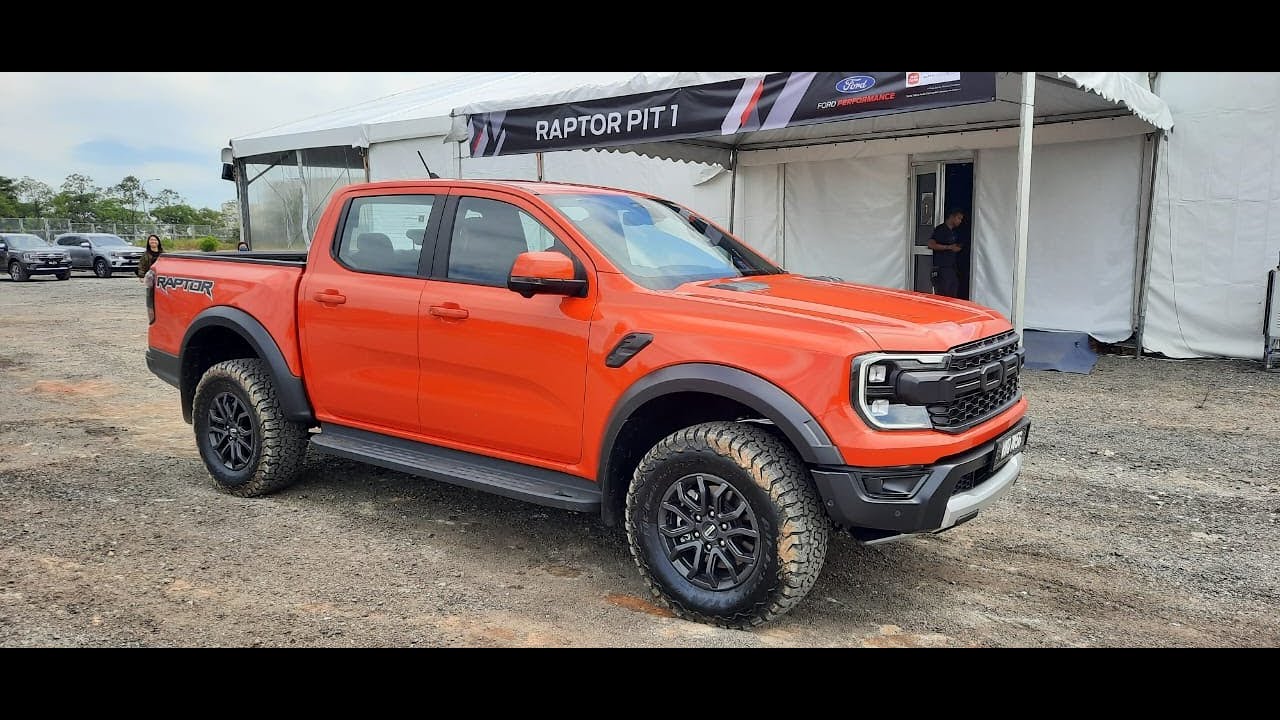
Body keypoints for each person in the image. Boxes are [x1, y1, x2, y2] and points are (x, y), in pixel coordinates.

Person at [928, 209, 965, 298]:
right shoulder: (941, 229)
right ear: (952, 217)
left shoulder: (953, 232)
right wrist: (949, 247)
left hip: (951, 268)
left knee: (952, 294)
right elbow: (931, 244)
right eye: (958, 218)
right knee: (943, 296)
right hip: (942, 268)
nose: (960, 221)